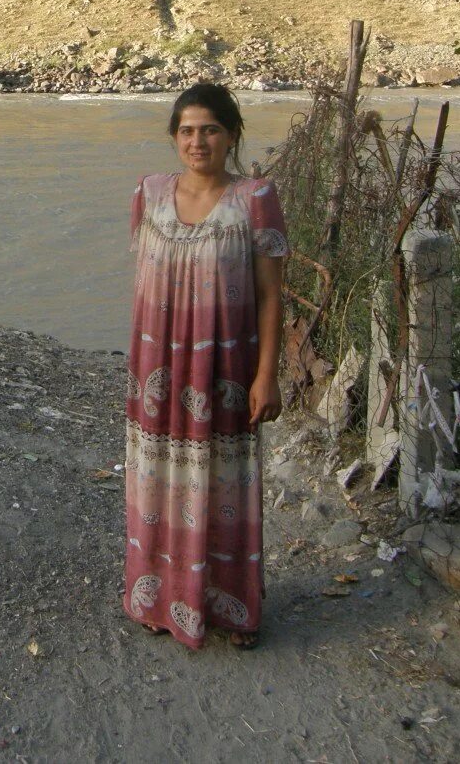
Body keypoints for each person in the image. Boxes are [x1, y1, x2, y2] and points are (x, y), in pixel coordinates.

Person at [123, 83, 288, 651]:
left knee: (222, 486)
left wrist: (267, 373)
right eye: (188, 130)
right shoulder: (148, 193)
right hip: (158, 372)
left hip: (224, 372)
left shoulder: (255, 197)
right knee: (158, 482)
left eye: (211, 129)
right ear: (175, 137)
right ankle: (160, 599)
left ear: (232, 135)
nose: (199, 141)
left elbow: (270, 297)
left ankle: (232, 609)